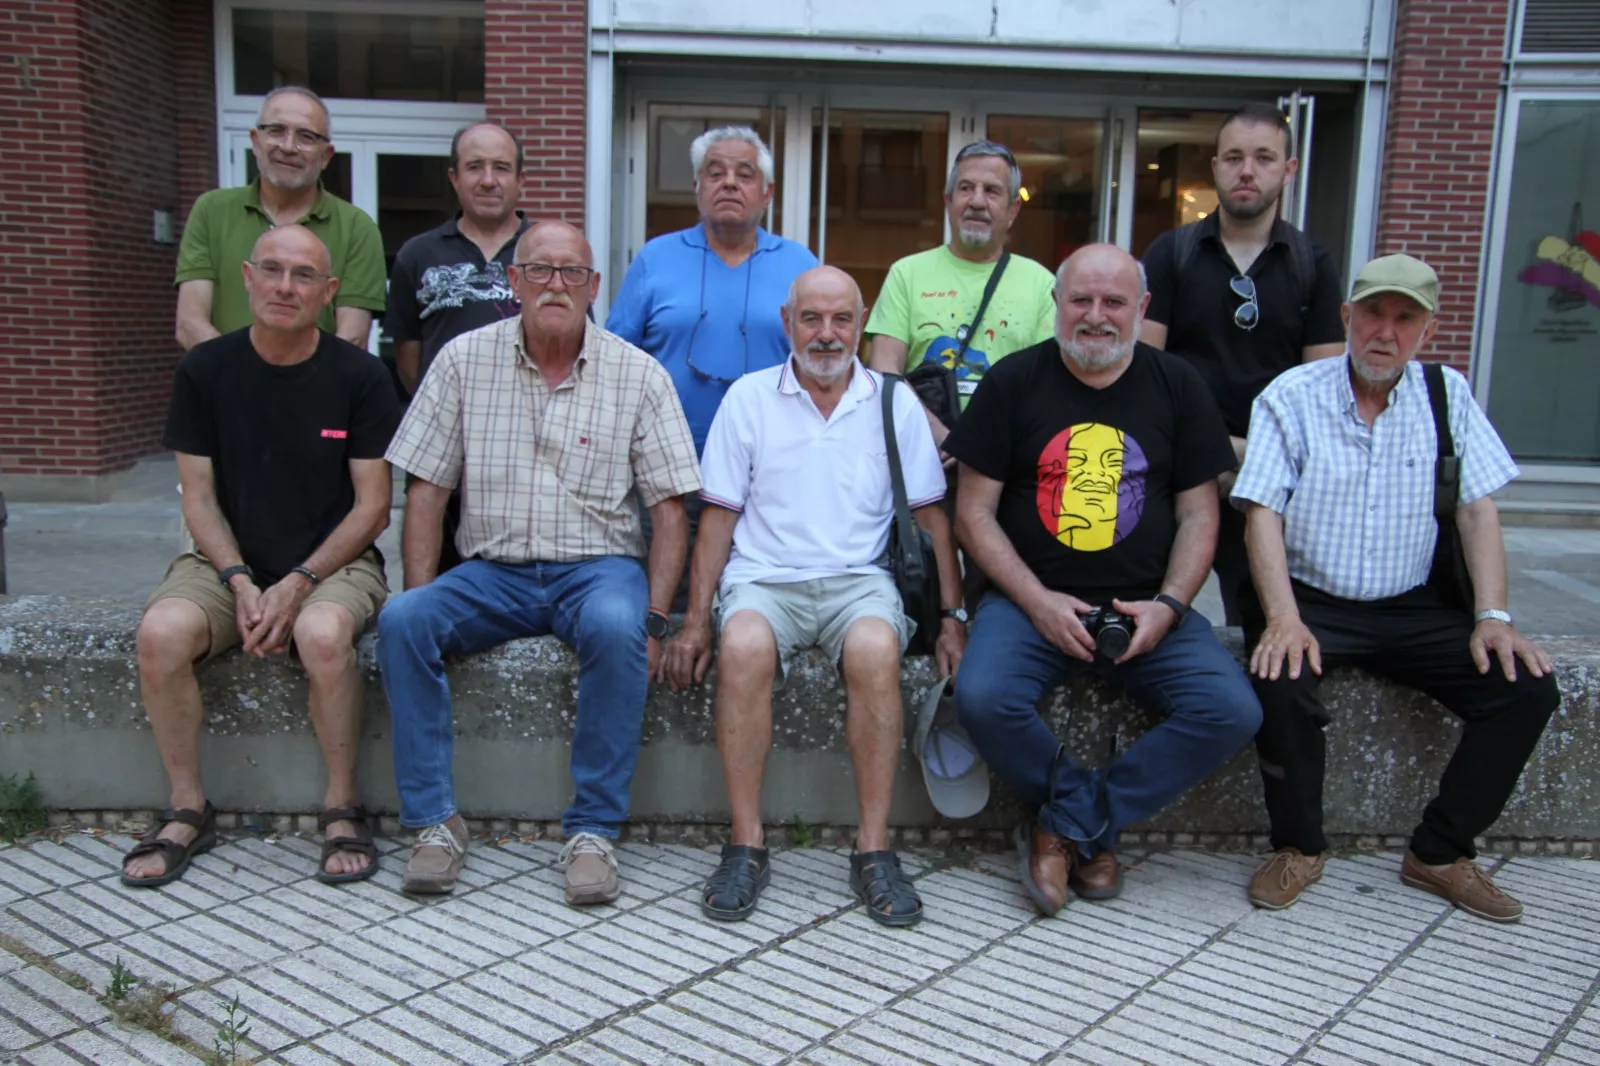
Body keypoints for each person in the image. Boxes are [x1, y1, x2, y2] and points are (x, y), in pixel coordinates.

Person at [378, 221, 702, 905]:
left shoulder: (638, 373)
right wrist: (424, 592)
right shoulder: (463, 361)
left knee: (620, 629)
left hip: (598, 568)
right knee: (405, 620)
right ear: (514, 281)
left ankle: (592, 832)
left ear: (593, 287)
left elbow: (670, 511)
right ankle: (436, 824)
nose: (556, 284)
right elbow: (427, 490)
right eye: (540, 270)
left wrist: (655, 618)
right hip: (491, 572)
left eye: (572, 273)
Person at [1232, 254, 1559, 922]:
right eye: (1373, 313)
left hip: (1410, 604)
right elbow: (1262, 512)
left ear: (1426, 329)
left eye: (1404, 318)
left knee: (1525, 690)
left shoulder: (1448, 395)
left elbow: (1477, 510)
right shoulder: (1291, 395)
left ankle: (1439, 852)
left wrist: (1492, 614)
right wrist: (1283, 618)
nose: (1385, 331)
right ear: (1347, 317)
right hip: (1313, 597)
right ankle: (1300, 847)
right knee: (1278, 680)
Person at [945, 243, 1262, 916]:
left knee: (1231, 709)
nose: (1096, 316)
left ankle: (1067, 823)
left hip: (1146, 606)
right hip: (1028, 601)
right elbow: (972, 513)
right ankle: (1090, 829)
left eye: (1114, 302)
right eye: (1081, 300)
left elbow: (1201, 514)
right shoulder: (1012, 381)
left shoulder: (1178, 385)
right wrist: (1035, 602)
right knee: (981, 693)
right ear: (1057, 305)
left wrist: (1171, 607)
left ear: (1141, 309)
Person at [665, 266, 966, 928]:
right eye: (812, 319)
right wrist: (693, 622)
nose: (826, 334)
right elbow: (715, 518)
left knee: (877, 650)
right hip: (763, 577)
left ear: (861, 324)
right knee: (740, 646)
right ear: (787, 323)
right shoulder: (748, 398)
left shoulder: (892, 400)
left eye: (841, 320)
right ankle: (747, 843)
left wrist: (952, 615)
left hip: (859, 580)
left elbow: (932, 517)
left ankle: (874, 848)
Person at [123, 225, 400, 889]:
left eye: (304, 275)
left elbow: (372, 507)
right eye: (272, 271)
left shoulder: (360, 376)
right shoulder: (206, 370)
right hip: (227, 560)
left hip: (333, 563)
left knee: (322, 634)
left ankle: (341, 806)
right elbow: (198, 496)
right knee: (160, 635)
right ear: (246, 278)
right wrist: (241, 581)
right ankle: (188, 807)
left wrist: (301, 581)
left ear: (329, 293)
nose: (285, 287)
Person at [1139, 103, 1347, 626]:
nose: (1246, 170)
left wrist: (1259, 458)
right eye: (1233, 158)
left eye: (1263, 158)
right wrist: (1213, 448)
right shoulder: (1172, 253)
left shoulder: (1310, 263)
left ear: (1288, 169)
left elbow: (1323, 387)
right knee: (1146, 609)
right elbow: (1142, 370)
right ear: (1214, 168)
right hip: (1179, 474)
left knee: (1260, 621)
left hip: (1269, 482)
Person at [607, 127, 817, 606]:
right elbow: (616, 362)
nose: (729, 183)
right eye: (715, 173)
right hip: (665, 475)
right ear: (697, 188)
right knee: (664, 603)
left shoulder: (798, 263)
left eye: (745, 174)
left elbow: (825, 357)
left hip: (769, 473)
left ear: (766, 193)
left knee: (756, 602)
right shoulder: (655, 259)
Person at [386, 121, 532, 573]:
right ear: (454, 177)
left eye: (501, 168)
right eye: (475, 167)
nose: (488, 179)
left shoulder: (547, 250)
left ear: (520, 180)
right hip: (443, 438)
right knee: (439, 569)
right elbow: (409, 354)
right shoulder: (417, 254)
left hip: (527, 440)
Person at [866, 139, 1057, 453]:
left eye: (992, 191)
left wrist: (990, 449)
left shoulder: (1042, 284)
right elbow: (885, 374)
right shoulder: (907, 274)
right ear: (948, 200)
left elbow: (1048, 387)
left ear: (1013, 208)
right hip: (923, 456)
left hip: (1005, 462)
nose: (977, 201)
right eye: (966, 188)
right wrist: (940, 436)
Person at [175, 86, 385, 351]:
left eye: (306, 136)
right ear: (255, 141)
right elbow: (190, 324)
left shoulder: (357, 228)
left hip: (315, 391)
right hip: (221, 389)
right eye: (276, 130)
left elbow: (352, 338)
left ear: (326, 156)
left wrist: (290, 387)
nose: (288, 147)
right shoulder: (211, 211)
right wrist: (243, 381)